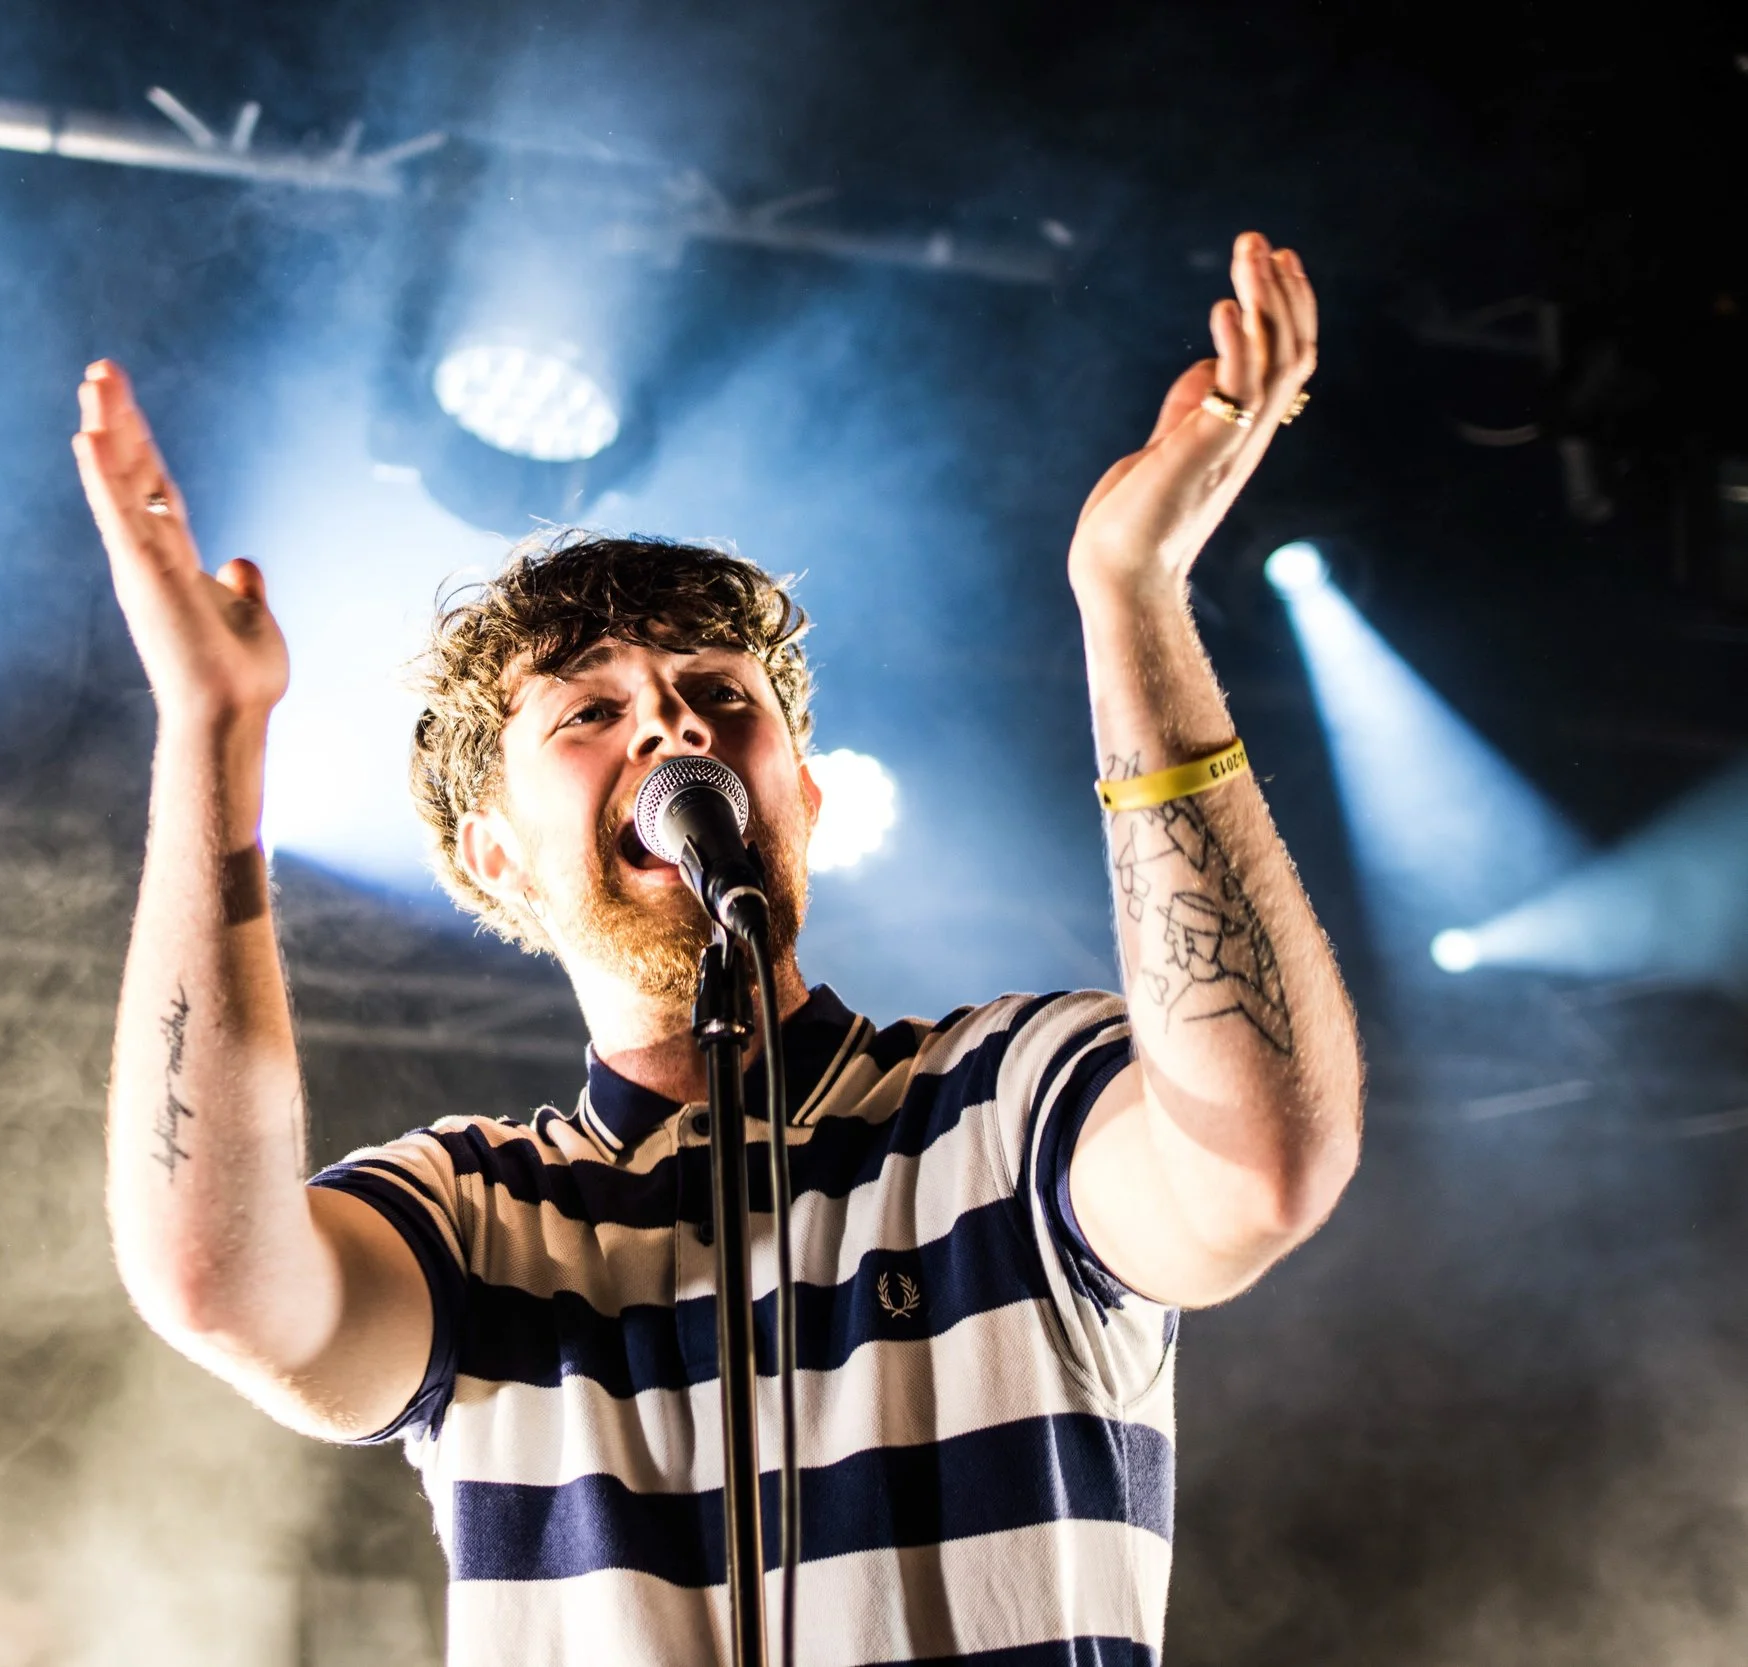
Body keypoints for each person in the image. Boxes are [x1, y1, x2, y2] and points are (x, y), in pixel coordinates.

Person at [73, 230, 1362, 1666]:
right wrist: (211, 735)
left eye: (717, 692)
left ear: (800, 796)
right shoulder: (483, 1217)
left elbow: (1257, 1163)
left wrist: (1133, 596)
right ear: (494, 856)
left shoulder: (1004, 1100)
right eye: (589, 711)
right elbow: (216, 1277)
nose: (674, 723)